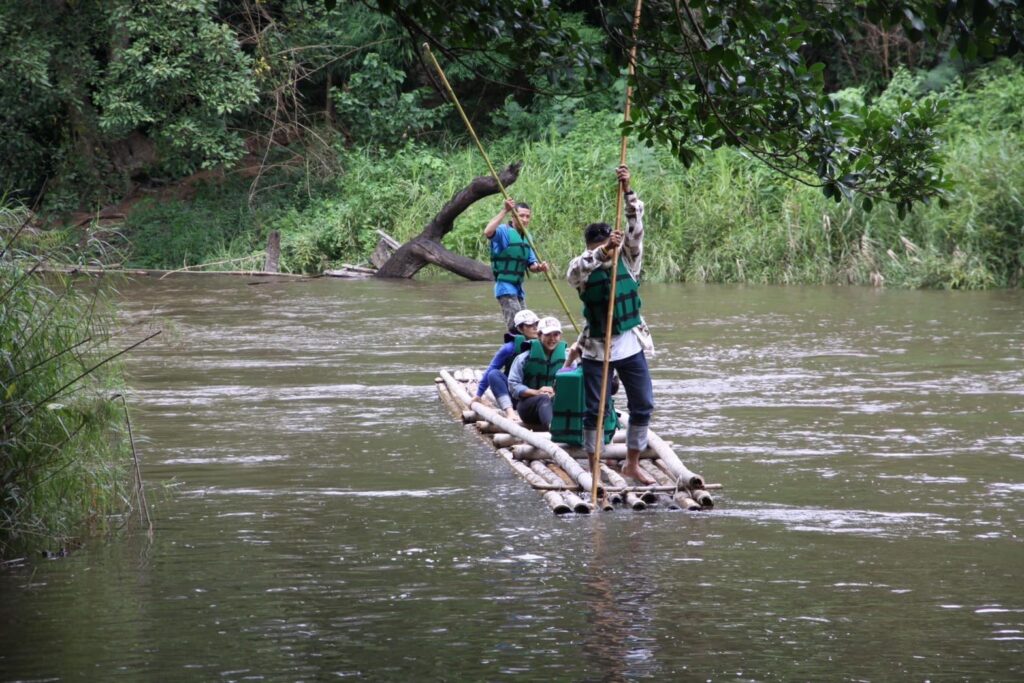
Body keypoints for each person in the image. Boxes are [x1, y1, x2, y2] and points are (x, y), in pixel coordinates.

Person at [566, 165, 656, 485]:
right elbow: (575, 270)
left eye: (610, 243)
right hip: (596, 347)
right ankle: (594, 464)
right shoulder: (583, 269)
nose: (608, 249)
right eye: (600, 246)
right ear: (591, 246)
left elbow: (637, 226)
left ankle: (631, 463)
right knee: (596, 409)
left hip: (630, 343)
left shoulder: (628, 261)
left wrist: (628, 189)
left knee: (643, 403)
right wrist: (602, 251)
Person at [484, 197, 550, 331]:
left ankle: (527, 347)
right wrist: (504, 210)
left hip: (519, 289)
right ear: (513, 216)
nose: (525, 219)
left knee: (529, 324)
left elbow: (532, 265)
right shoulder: (504, 231)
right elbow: (488, 232)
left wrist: (540, 267)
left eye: (527, 216)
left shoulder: (528, 237)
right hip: (505, 287)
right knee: (518, 326)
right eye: (521, 216)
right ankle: (514, 349)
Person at [469, 309, 540, 420]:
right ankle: (510, 413)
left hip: (538, 395)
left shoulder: (547, 344)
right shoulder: (509, 348)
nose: (535, 328)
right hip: (515, 396)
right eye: (530, 325)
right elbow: (491, 370)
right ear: (520, 329)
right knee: (494, 374)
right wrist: (478, 395)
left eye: (537, 324)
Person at [507, 316, 567, 429]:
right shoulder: (523, 358)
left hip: (556, 403)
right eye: (548, 334)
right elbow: (513, 385)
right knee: (544, 399)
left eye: (556, 334)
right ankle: (552, 428)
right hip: (529, 407)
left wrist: (555, 393)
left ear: (560, 336)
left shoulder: (568, 358)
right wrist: (536, 392)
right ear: (539, 335)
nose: (552, 339)